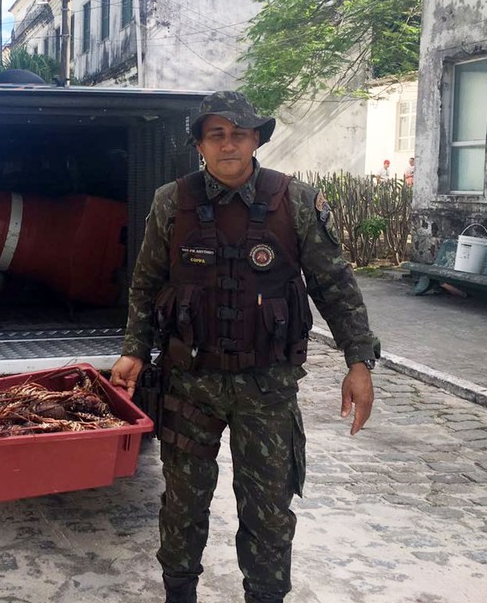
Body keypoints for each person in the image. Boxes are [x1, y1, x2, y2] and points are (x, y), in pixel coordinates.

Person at [110, 91, 379, 603]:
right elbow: (145, 284)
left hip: (268, 386)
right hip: (190, 384)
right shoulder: (173, 202)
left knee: (269, 509)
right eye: (216, 134)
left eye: (239, 133)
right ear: (200, 146)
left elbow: (335, 284)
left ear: (256, 139)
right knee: (183, 503)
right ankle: (180, 593)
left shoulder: (294, 201)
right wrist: (134, 349)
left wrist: (358, 361)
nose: (228, 144)